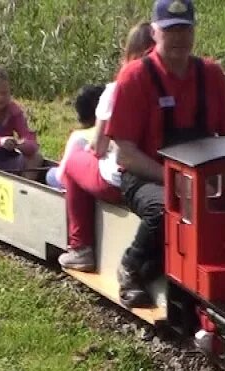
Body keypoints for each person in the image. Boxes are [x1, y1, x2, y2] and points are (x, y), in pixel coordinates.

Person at [103, 0, 225, 306]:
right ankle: (132, 267)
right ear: (154, 33)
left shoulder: (212, 75)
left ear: (194, 31)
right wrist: (174, 180)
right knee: (167, 209)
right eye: (170, 30)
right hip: (146, 175)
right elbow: (125, 154)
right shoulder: (135, 77)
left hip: (204, 174)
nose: (178, 37)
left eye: (184, 29)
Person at [57, 22, 156, 271]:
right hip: (152, 175)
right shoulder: (169, 88)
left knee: (73, 161)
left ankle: (80, 248)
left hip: (120, 179)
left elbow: (99, 147)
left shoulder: (115, 90)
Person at [46, 84, 106, 192]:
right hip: (98, 180)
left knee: (50, 174)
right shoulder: (110, 134)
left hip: (77, 183)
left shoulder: (78, 136)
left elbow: (62, 175)